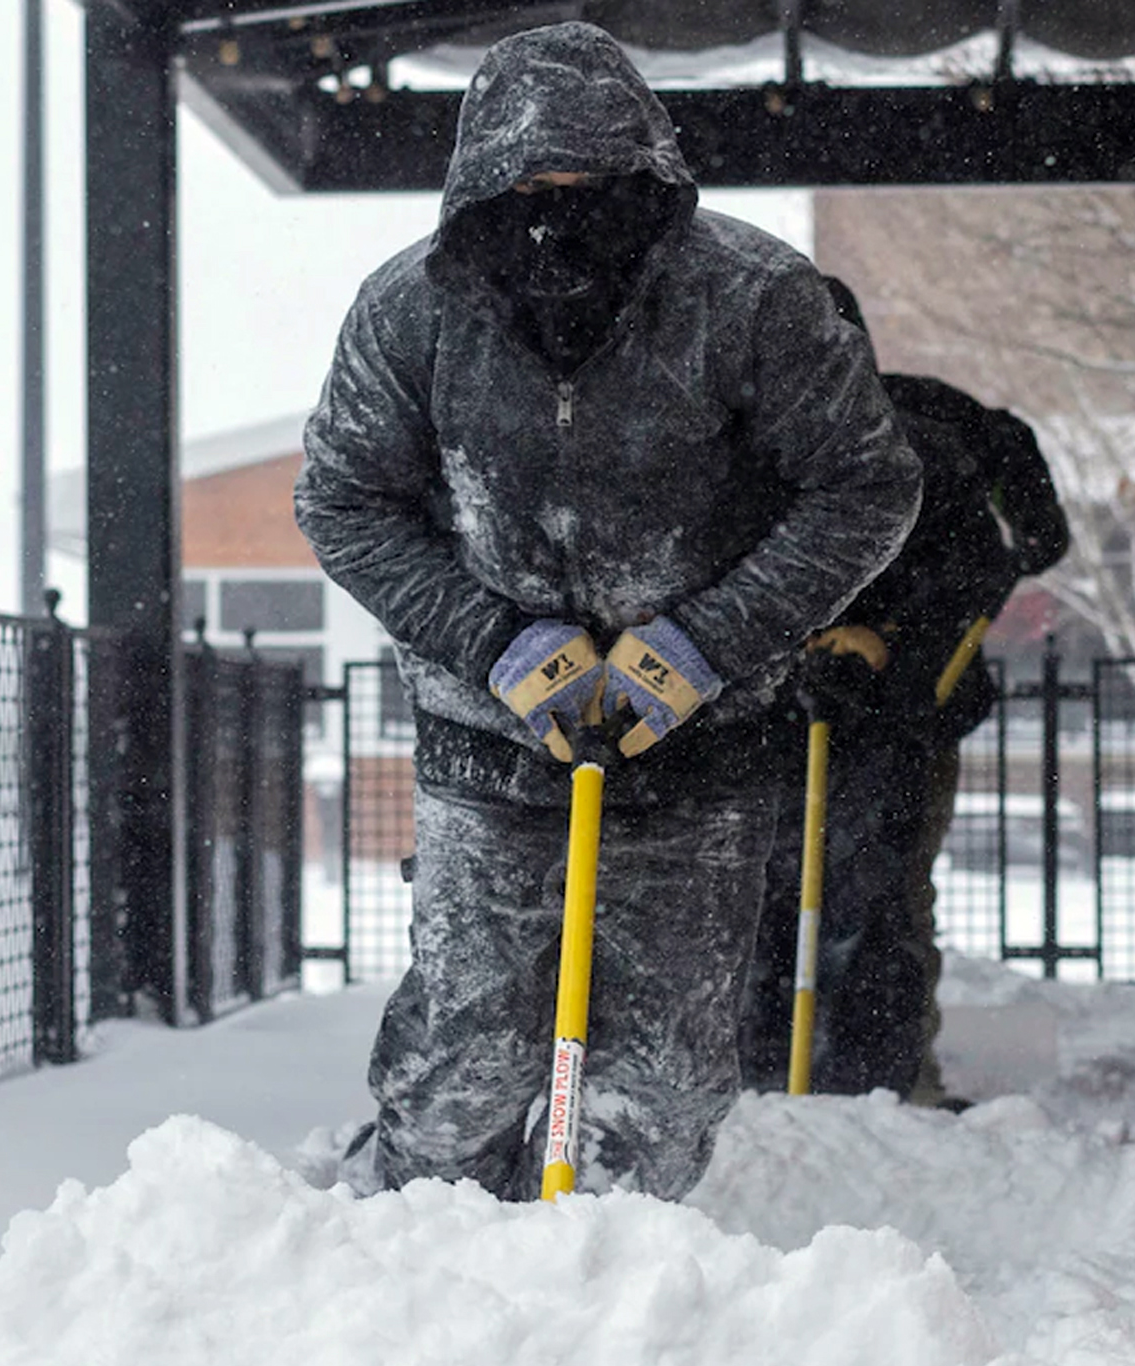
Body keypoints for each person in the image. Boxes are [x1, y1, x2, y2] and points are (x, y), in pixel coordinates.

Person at [294, 23, 921, 1201]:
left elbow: (865, 485)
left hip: (700, 743)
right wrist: (496, 642)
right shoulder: (411, 311)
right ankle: (416, 1274)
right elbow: (342, 497)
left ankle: (610, 1284)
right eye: (527, 190)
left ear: (652, 181)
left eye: (590, 190)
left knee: (662, 1087)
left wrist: (701, 645)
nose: (556, 219)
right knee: (462, 1062)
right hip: (491, 740)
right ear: (478, 184)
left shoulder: (753, 297)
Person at [738, 276, 1071, 1108]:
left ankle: (879, 1094)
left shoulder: (921, 453)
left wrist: (881, 652)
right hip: (770, 719)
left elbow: (976, 577)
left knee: (875, 897)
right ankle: (761, 1091)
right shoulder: (736, 452)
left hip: (899, 720)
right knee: (761, 896)